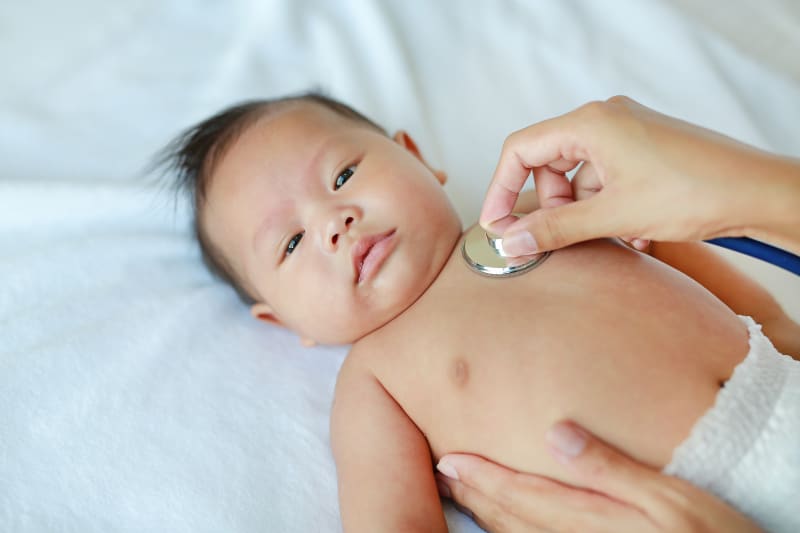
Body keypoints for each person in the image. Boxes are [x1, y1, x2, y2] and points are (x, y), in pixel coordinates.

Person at [157, 92, 800, 532]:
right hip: (659, 504)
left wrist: (780, 331)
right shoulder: (374, 381)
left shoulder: (545, 213)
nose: (334, 222)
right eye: (292, 242)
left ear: (415, 156)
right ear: (281, 319)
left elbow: (699, 263)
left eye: (344, 175)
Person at [438, 95, 800, 532]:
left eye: (359, 166)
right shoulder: (376, 371)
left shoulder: (543, 208)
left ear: (412, 153)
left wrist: (749, 194)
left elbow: (768, 322)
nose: (356, 221)